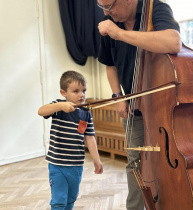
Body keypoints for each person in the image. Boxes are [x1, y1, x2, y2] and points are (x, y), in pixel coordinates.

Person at [97, 0, 181, 209]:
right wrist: (118, 96)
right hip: (134, 108)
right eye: (102, 7)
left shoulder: (155, 9)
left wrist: (120, 34)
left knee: (167, 163)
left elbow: (173, 42)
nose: (107, 12)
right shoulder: (110, 21)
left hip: (163, 108)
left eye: (110, 6)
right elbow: (110, 66)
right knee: (135, 163)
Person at [38, 70, 103, 210]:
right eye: (76, 91)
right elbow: (41, 111)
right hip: (57, 164)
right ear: (63, 93)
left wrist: (96, 159)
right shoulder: (58, 106)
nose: (81, 95)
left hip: (76, 165)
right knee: (58, 201)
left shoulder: (86, 113)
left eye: (84, 91)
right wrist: (60, 106)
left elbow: (90, 137)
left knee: (71, 199)